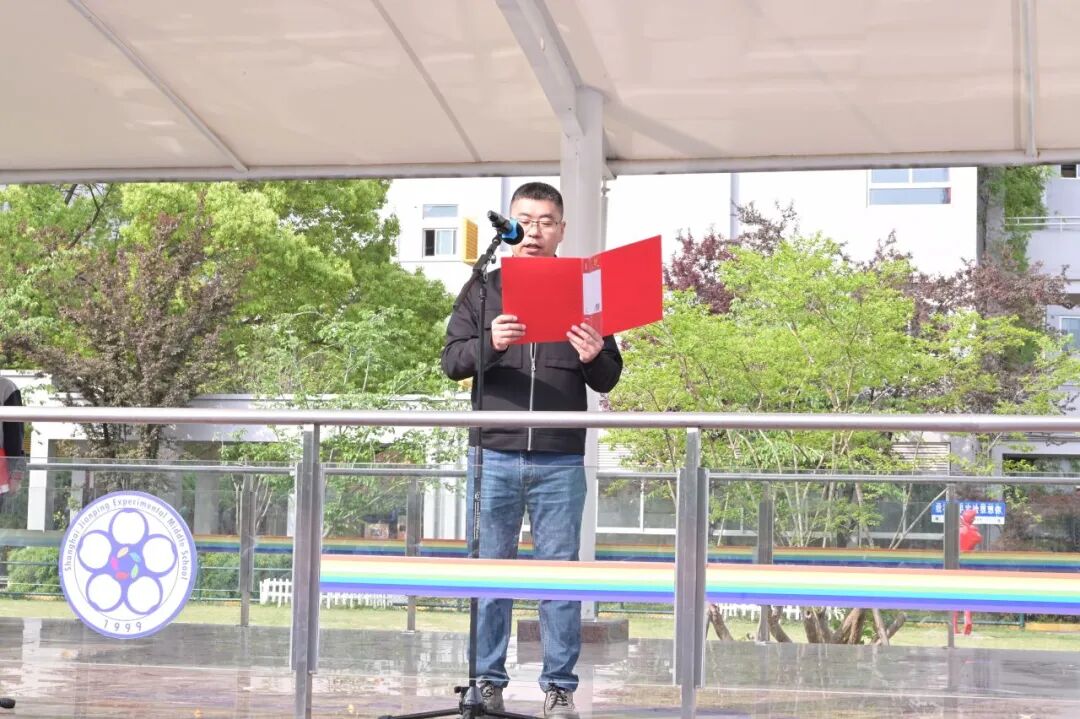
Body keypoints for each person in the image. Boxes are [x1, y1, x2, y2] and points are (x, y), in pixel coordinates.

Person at [441, 182, 622, 719]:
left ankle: (560, 686)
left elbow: (608, 377)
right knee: (489, 573)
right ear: (509, 226)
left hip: (560, 457)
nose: (534, 231)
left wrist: (592, 355)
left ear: (562, 229)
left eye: (546, 221)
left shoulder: (588, 290)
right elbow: (452, 362)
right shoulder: (482, 288)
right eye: (525, 220)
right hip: (492, 453)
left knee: (560, 578)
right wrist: (490, 343)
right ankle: (486, 681)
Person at [0, 376, 25, 500]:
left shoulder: (5, 387)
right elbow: (15, 434)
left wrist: (16, 473)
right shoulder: (6, 386)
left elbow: (14, 435)